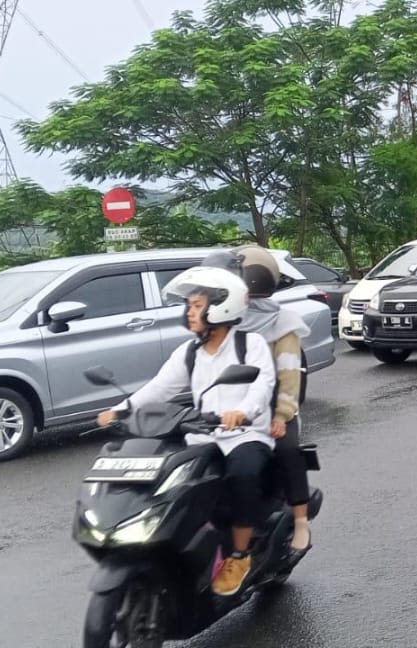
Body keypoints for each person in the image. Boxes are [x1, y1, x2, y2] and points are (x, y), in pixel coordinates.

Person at [96, 266, 276, 597]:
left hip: (244, 435)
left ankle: (240, 555)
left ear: (221, 307)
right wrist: (121, 410)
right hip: (202, 435)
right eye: (188, 305)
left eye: (196, 306)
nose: (189, 312)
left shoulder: (251, 345)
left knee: (243, 474)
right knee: (168, 478)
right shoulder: (189, 352)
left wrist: (242, 411)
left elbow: (262, 385)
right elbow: (159, 388)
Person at [201, 245, 315, 561]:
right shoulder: (222, 321)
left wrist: (282, 415)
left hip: (272, 410)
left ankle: (300, 523)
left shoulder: (283, 324)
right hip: (227, 411)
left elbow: (289, 377)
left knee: (288, 450)